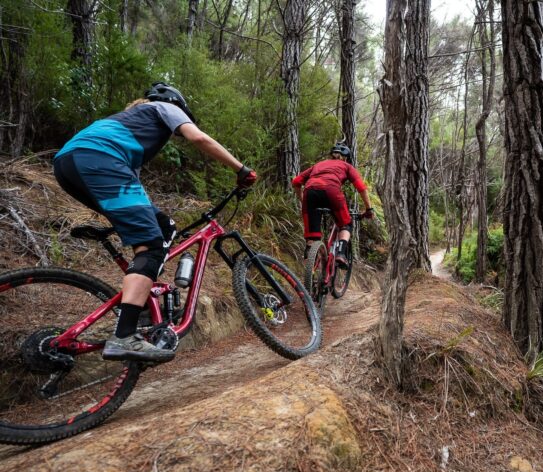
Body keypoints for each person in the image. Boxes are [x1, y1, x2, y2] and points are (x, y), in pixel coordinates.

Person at [53, 82, 257, 363]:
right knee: (151, 246)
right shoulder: (164, 107)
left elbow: (133, 187)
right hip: (100, 161)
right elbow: (198, 138)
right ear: (178, 104)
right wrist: (241, 169)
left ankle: (142, 300)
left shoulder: (126, 124)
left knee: (163, 227)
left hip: (68, 164)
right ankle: (124, 336)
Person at [292, 142, 374, 268]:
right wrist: (369, 209)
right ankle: (341, 254)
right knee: (346, 225)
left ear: (332, 155)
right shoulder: (347, 166)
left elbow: (296, 181)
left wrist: (303, 201)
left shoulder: (319, 165)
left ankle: (309, 261)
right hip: (332, 191)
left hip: (310, 192)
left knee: (312, 236)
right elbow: (361, 188)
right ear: (345, 158)